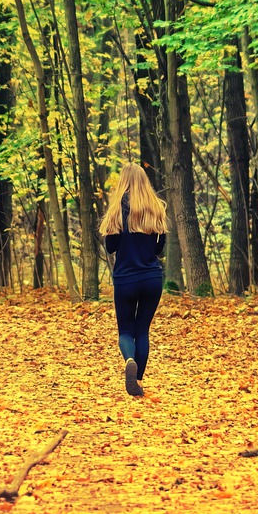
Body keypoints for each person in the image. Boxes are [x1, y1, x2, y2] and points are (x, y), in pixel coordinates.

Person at [100, 163, 167, 397]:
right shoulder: (156, 208)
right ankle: (136, 381)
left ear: (123, 182)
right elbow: (159, 249)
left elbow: (111, 247)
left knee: (126, 332)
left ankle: (130, 360)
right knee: (143, 330)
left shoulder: (117, 210)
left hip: (125, 279)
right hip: (151, 279)